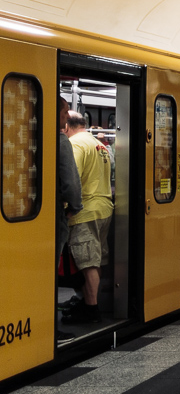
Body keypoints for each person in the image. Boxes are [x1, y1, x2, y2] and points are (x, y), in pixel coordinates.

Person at [63, 111, 114, 325]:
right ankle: (87, 302)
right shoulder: (99, 145)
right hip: (104, 207)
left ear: (67, 126)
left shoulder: (75, 144)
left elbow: (72, 179)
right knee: (95, 259)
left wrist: (68, 208)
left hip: (85, 211)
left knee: (87, 262)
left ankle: (91, 309)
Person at [55, 98, 83, 325]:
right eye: (64, 112)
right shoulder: (61, 141)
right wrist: (74, 207)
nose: (66, 117)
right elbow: (71, 183)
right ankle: (50, 327)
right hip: (54, 215)